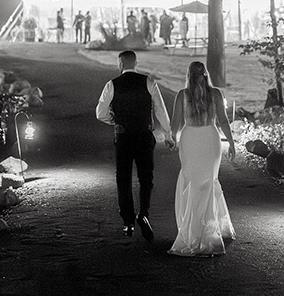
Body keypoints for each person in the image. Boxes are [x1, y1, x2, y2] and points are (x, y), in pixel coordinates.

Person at [95, 50, 174, 241]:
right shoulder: (148, 82)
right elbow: (160, 110)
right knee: (146, 177)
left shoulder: (112, 85)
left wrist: (113, 120)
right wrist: (168, 134)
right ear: (135, 63)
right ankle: (144, 214)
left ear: (120, 64)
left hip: (123, 137)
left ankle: (128, 221)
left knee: (123, 179)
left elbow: (100, 112)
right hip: (144, 135)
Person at [168, 61, 236, 257]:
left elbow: (176, 123)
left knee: (193, 182)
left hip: (190, 139)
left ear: (188, 75)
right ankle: (210, 231)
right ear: (206, 74)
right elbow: (223, 120)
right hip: (210, 139)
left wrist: (172, 139)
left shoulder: (182, 95)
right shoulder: (215, 94)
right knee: (208, 182)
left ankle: (194, 230)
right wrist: (231, 142)